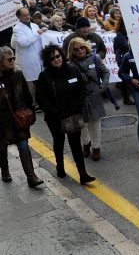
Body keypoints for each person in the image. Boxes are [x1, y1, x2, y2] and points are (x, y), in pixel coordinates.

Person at [35, 45, 95, 184]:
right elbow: (40, 98)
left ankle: (83, 173)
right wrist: (54, 111)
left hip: (72, 115)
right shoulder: (44, 76)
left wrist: (78, 105)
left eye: (58, 56)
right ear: (47, 61)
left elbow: (82, 88)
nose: (56, 60)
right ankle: (60, 166)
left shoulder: (72, 69)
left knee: (75, 144)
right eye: (52, 58)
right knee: (59, 141)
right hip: (55, 118)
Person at [0, 46, 44, 187]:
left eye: (13, 58)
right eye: (9, 59)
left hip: (20, 120)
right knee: (2, 148)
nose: (12, 61)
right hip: (3, 123)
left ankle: (31, 177)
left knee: (24, 147)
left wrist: (30, 113)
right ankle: (5, 171)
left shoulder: (18, 75)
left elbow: (27, 96)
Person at [68, 38, 109, 162]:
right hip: (80, 100)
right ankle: (86, 143)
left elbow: (105, 72)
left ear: (86, 47)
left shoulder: (95, 58)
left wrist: (103, 87)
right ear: (72, 51)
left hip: (95, 96)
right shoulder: (70, 65)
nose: (80, 50)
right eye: (76, 49)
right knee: (83, 125)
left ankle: (96, 147)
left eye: (82, 47)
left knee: (95, 122)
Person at [12, 7, 45, 104]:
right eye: (24, 15)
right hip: (29, 59)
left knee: (41, 81)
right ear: (19, 17)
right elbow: (23, 42)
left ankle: (42, 101)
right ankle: (35, 103)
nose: (27, 17)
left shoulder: (34, 25)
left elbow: (40, 40)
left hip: (39, 57)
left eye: (28, 14)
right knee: (33, 83)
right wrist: (37, 34)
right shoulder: (17, 29)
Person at [113, 17, 134, 105]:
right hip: (122, 59)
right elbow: (126, 46)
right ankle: (125, 97)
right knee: (125, 78)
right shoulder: (120, 35)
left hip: (128, 58)